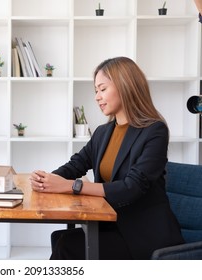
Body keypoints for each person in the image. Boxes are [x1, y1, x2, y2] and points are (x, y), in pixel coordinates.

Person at [30, 56, 184, 260]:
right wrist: (47, 180)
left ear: (125, 86)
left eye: (102, 89)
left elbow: (132, 187)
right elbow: (77, 164)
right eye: (96, 91)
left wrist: (70, 186)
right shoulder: (103, 132)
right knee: (60, 238)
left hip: (144, 234)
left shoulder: (155, 131)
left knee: (67, 245)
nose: (97, 97)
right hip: (110, 223)